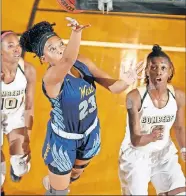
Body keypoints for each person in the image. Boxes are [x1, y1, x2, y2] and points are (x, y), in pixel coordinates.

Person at [20, 17, 144, 195]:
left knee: (75, 174)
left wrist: (125, 81)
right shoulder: (51, 79)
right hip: (63, 142)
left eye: (60, 44)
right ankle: (55, 185)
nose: (60, 50)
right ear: (43, 58)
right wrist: (76, 33)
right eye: (52, 49)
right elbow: (67, 60)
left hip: (90, 133)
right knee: (59, 193)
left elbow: (114, 88)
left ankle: (58, 180)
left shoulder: (82, 62)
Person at [118, 44, 186, 195]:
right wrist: (151, 136)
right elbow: (135, 140)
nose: (158, 72)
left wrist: (184, 149)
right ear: (147, 71)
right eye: (153, 67)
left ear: (170, 71)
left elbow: (180, 127)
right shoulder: (134, 97)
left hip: (164, 154)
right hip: (136, 156)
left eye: (163, 68)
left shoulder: (179, 96)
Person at [1, 31, 36, 195]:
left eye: (18, 45)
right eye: (10, 46)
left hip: (15, 118)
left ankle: (15, 169)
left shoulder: (28, 70)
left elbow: (29, 105)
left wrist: (27, 135)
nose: (17, 49)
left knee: (21, 167)